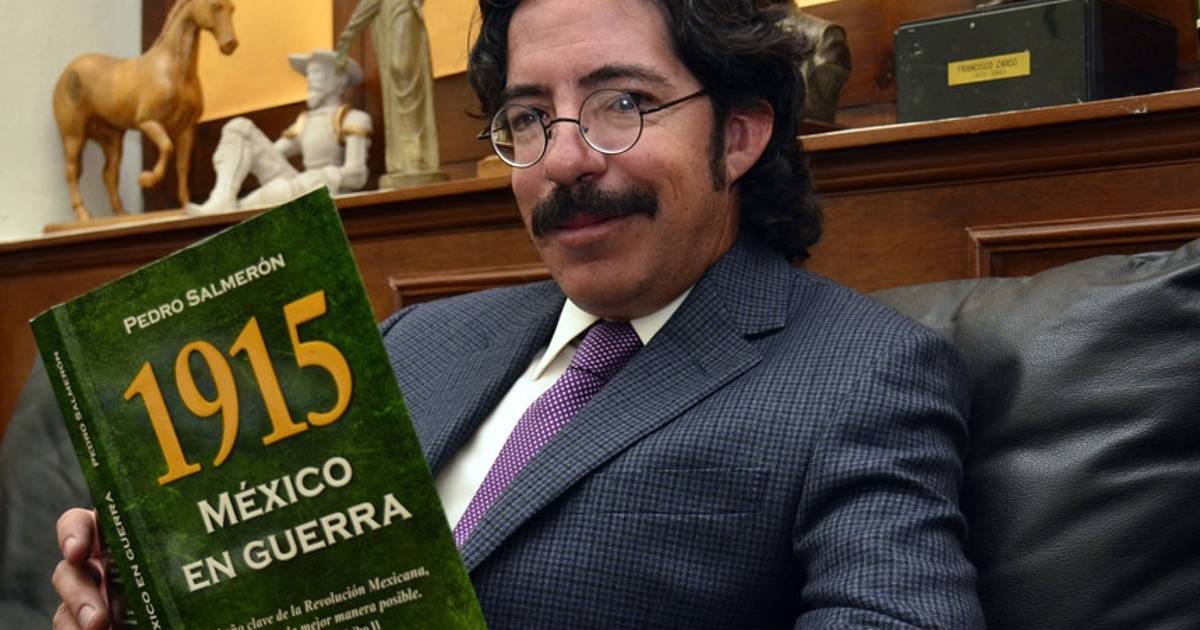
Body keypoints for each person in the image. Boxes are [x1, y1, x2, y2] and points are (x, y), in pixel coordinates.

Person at [52, 0, 985, 628]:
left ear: (738, 134)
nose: (564, 159)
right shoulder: (415, 341)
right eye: (529, 117)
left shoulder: (863, 374)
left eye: (623, 102)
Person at [191, 50, 372, 214]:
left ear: (338, 79)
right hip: (298, 185)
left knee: (261, 200)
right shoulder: (304, 122)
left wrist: (324, 176)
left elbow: (357, 175)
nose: (310, 80)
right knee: (239, 127)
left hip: (323, 189)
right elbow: (271, 154)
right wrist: (241, 149)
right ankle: (223, 197)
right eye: (308, 74)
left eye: (316, 72)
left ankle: (232, 209)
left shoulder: (353, 119)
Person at [335, 0, 447, 189]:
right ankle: (406, 152)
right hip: (388, 14)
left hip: (405, 9)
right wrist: (349, 33)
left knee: (403, 68)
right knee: (396, 76)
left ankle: (417, 148)